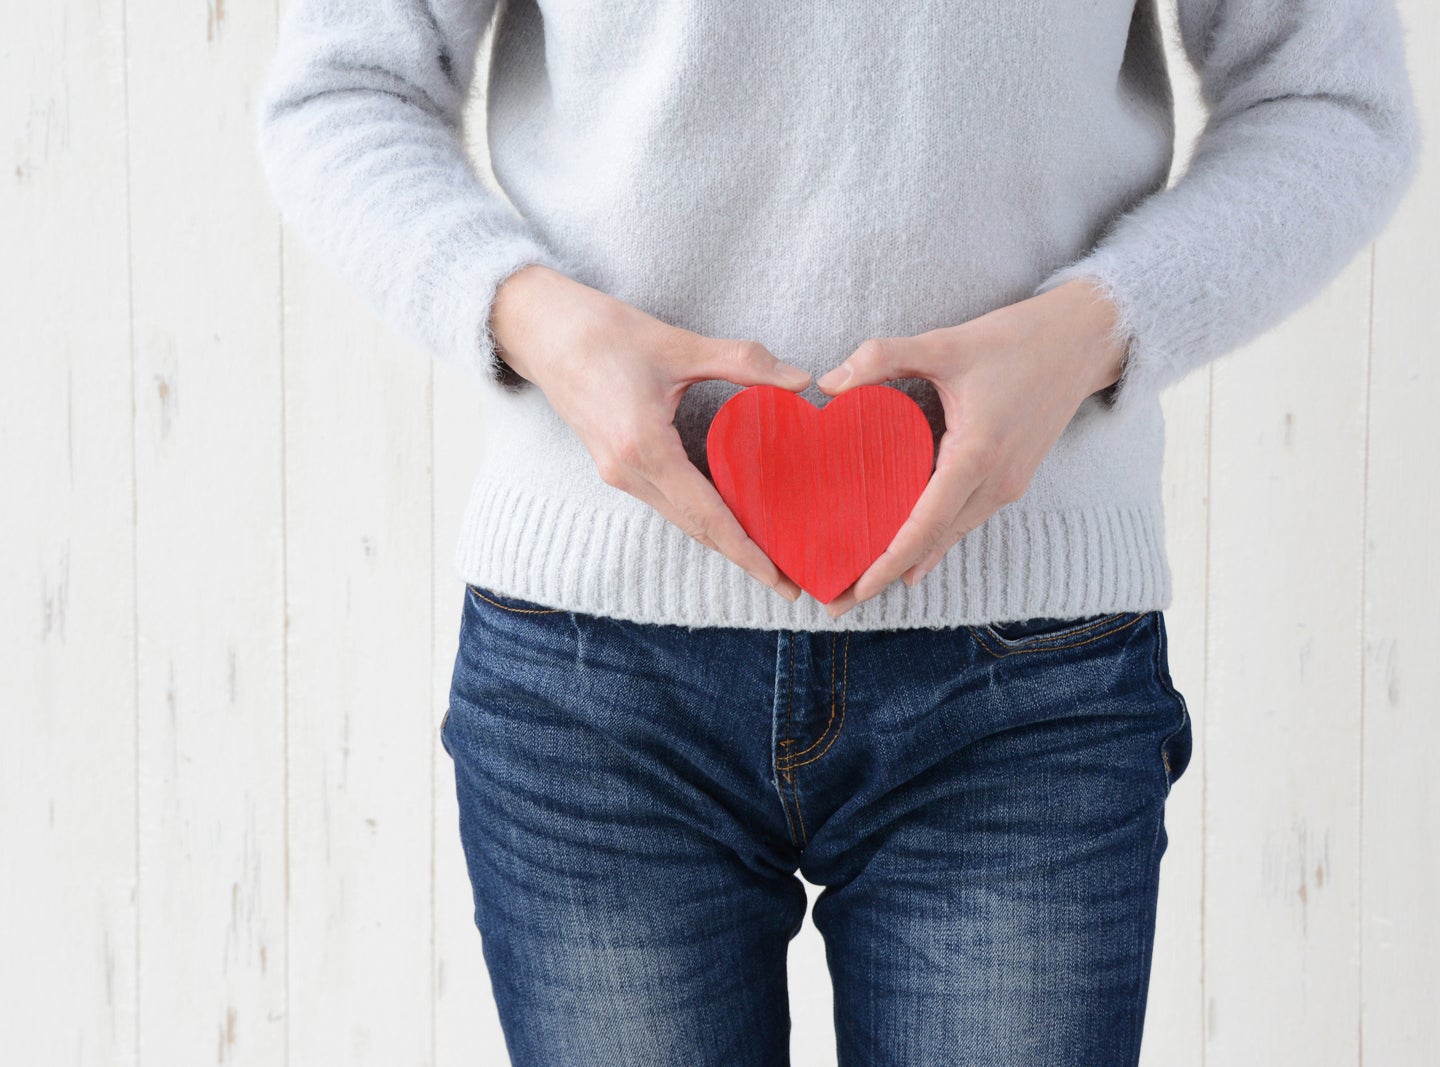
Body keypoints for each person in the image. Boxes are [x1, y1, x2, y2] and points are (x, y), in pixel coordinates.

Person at [254, 1, 1421, 1063]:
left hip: (1028, 684)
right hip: (590, 682)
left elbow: (1328, 101)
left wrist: (1091, 332)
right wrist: (540, 322)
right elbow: (341, 86)